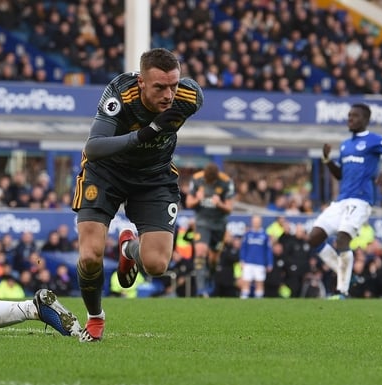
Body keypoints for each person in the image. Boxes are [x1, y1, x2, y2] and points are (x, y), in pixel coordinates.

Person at [71, 48, 203, 342]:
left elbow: (193, 95)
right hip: (106, 173)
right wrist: (147, 132)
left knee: (156, 266)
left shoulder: (188, 97)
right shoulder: (120, 93)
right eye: (160, 87)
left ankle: (128, 250)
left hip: (153, 177)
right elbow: (93, 148)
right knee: (90, 256)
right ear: (141, 82)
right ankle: (95, 318)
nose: (169, 95)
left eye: (174, 85)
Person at [307, 103, 382, 300]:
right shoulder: (345, 145)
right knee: (314, 237)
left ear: (365, 120)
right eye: (349, 115)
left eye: (354, 116)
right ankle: (347, 275)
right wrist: (327, 160)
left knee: (343, 238)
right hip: (342, 200)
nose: (349, 119)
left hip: (361, 200)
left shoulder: (374, 140)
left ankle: (341, 291)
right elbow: (340, 175)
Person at [184, 162, 235, 296]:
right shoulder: (196, 179)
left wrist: (220, 204)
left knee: (213, 258)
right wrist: (197, 199)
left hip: (219, 224)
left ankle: (210, 277)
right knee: (200, 252)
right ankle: (201, 290)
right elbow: (189, 203)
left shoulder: (226, 182)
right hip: (202, 221)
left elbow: (229, 208)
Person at [238, 215, 273, 299]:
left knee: (259, 283)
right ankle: (244, 300)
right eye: (254, 221)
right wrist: (242, 260)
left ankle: (259, 302)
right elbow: (243, 248)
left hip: (260, 263)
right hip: (248, 262)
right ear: (252, 222)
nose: (256, 223)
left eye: (257, 221)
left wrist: (269, 263)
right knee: (246, 282)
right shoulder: (247, 234)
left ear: (260, 222)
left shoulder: (265, 235)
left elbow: (268, 250)